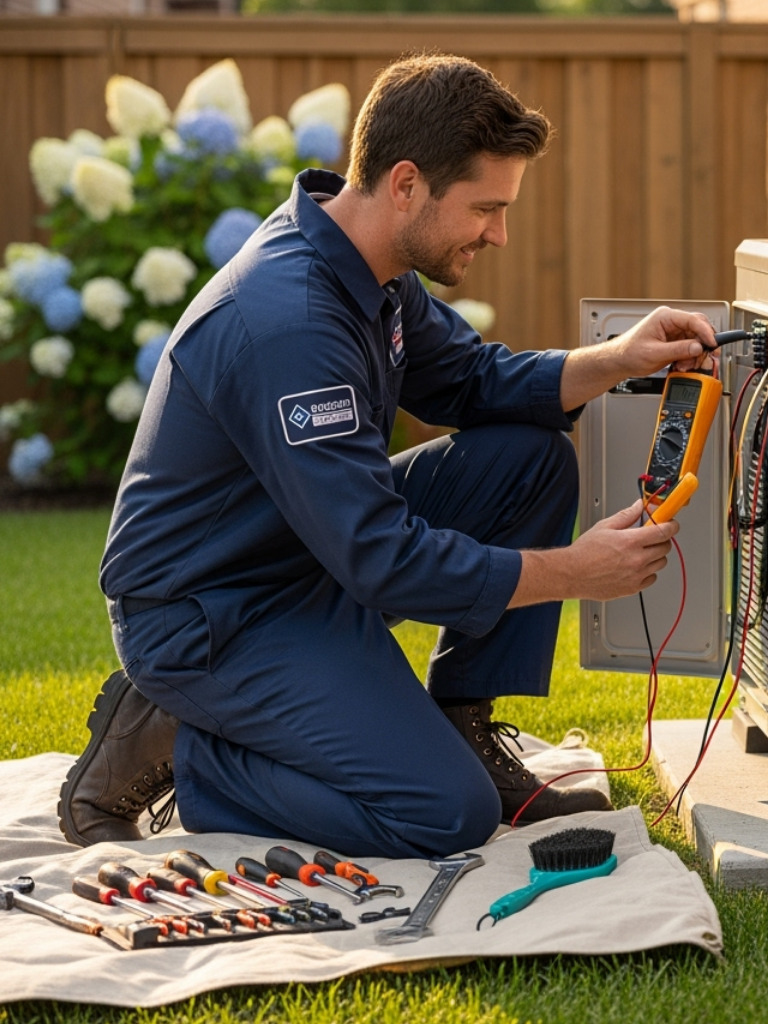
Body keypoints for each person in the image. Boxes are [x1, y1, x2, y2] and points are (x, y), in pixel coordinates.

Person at [57, 53, 719, 860]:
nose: (499, 234)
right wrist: (577, 571)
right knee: (444, 814)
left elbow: (474, 381)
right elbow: (381, 559)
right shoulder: (289, 322)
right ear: (406, 183)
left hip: (302, 557)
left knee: (528, 459)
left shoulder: (372, 266)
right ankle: (184, 748)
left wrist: (619, 357)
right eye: (486, 208)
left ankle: (460, 725)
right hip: (212, 616)